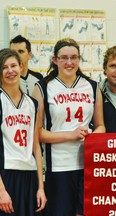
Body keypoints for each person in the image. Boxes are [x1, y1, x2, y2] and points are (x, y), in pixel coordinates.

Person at [32, 38, 105, 215]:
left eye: (74, 57)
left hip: (88, 164)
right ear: (55, 60)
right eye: (63, 57)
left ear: (79, 59)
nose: (69, 62)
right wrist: (70, 135)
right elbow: (37, 133)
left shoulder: (92, 86)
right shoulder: (42, 87)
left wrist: (93, 137)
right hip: (58, 166)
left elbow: (101, 125)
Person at [0, 48, 46, 215]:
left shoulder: (32, 104)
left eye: (13, 65)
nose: (10, 71)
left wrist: (41, 187)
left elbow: (36, 147)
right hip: (6, 175)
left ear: (21, 66)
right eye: (4, 67)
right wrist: (1, 191)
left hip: (29, 174)